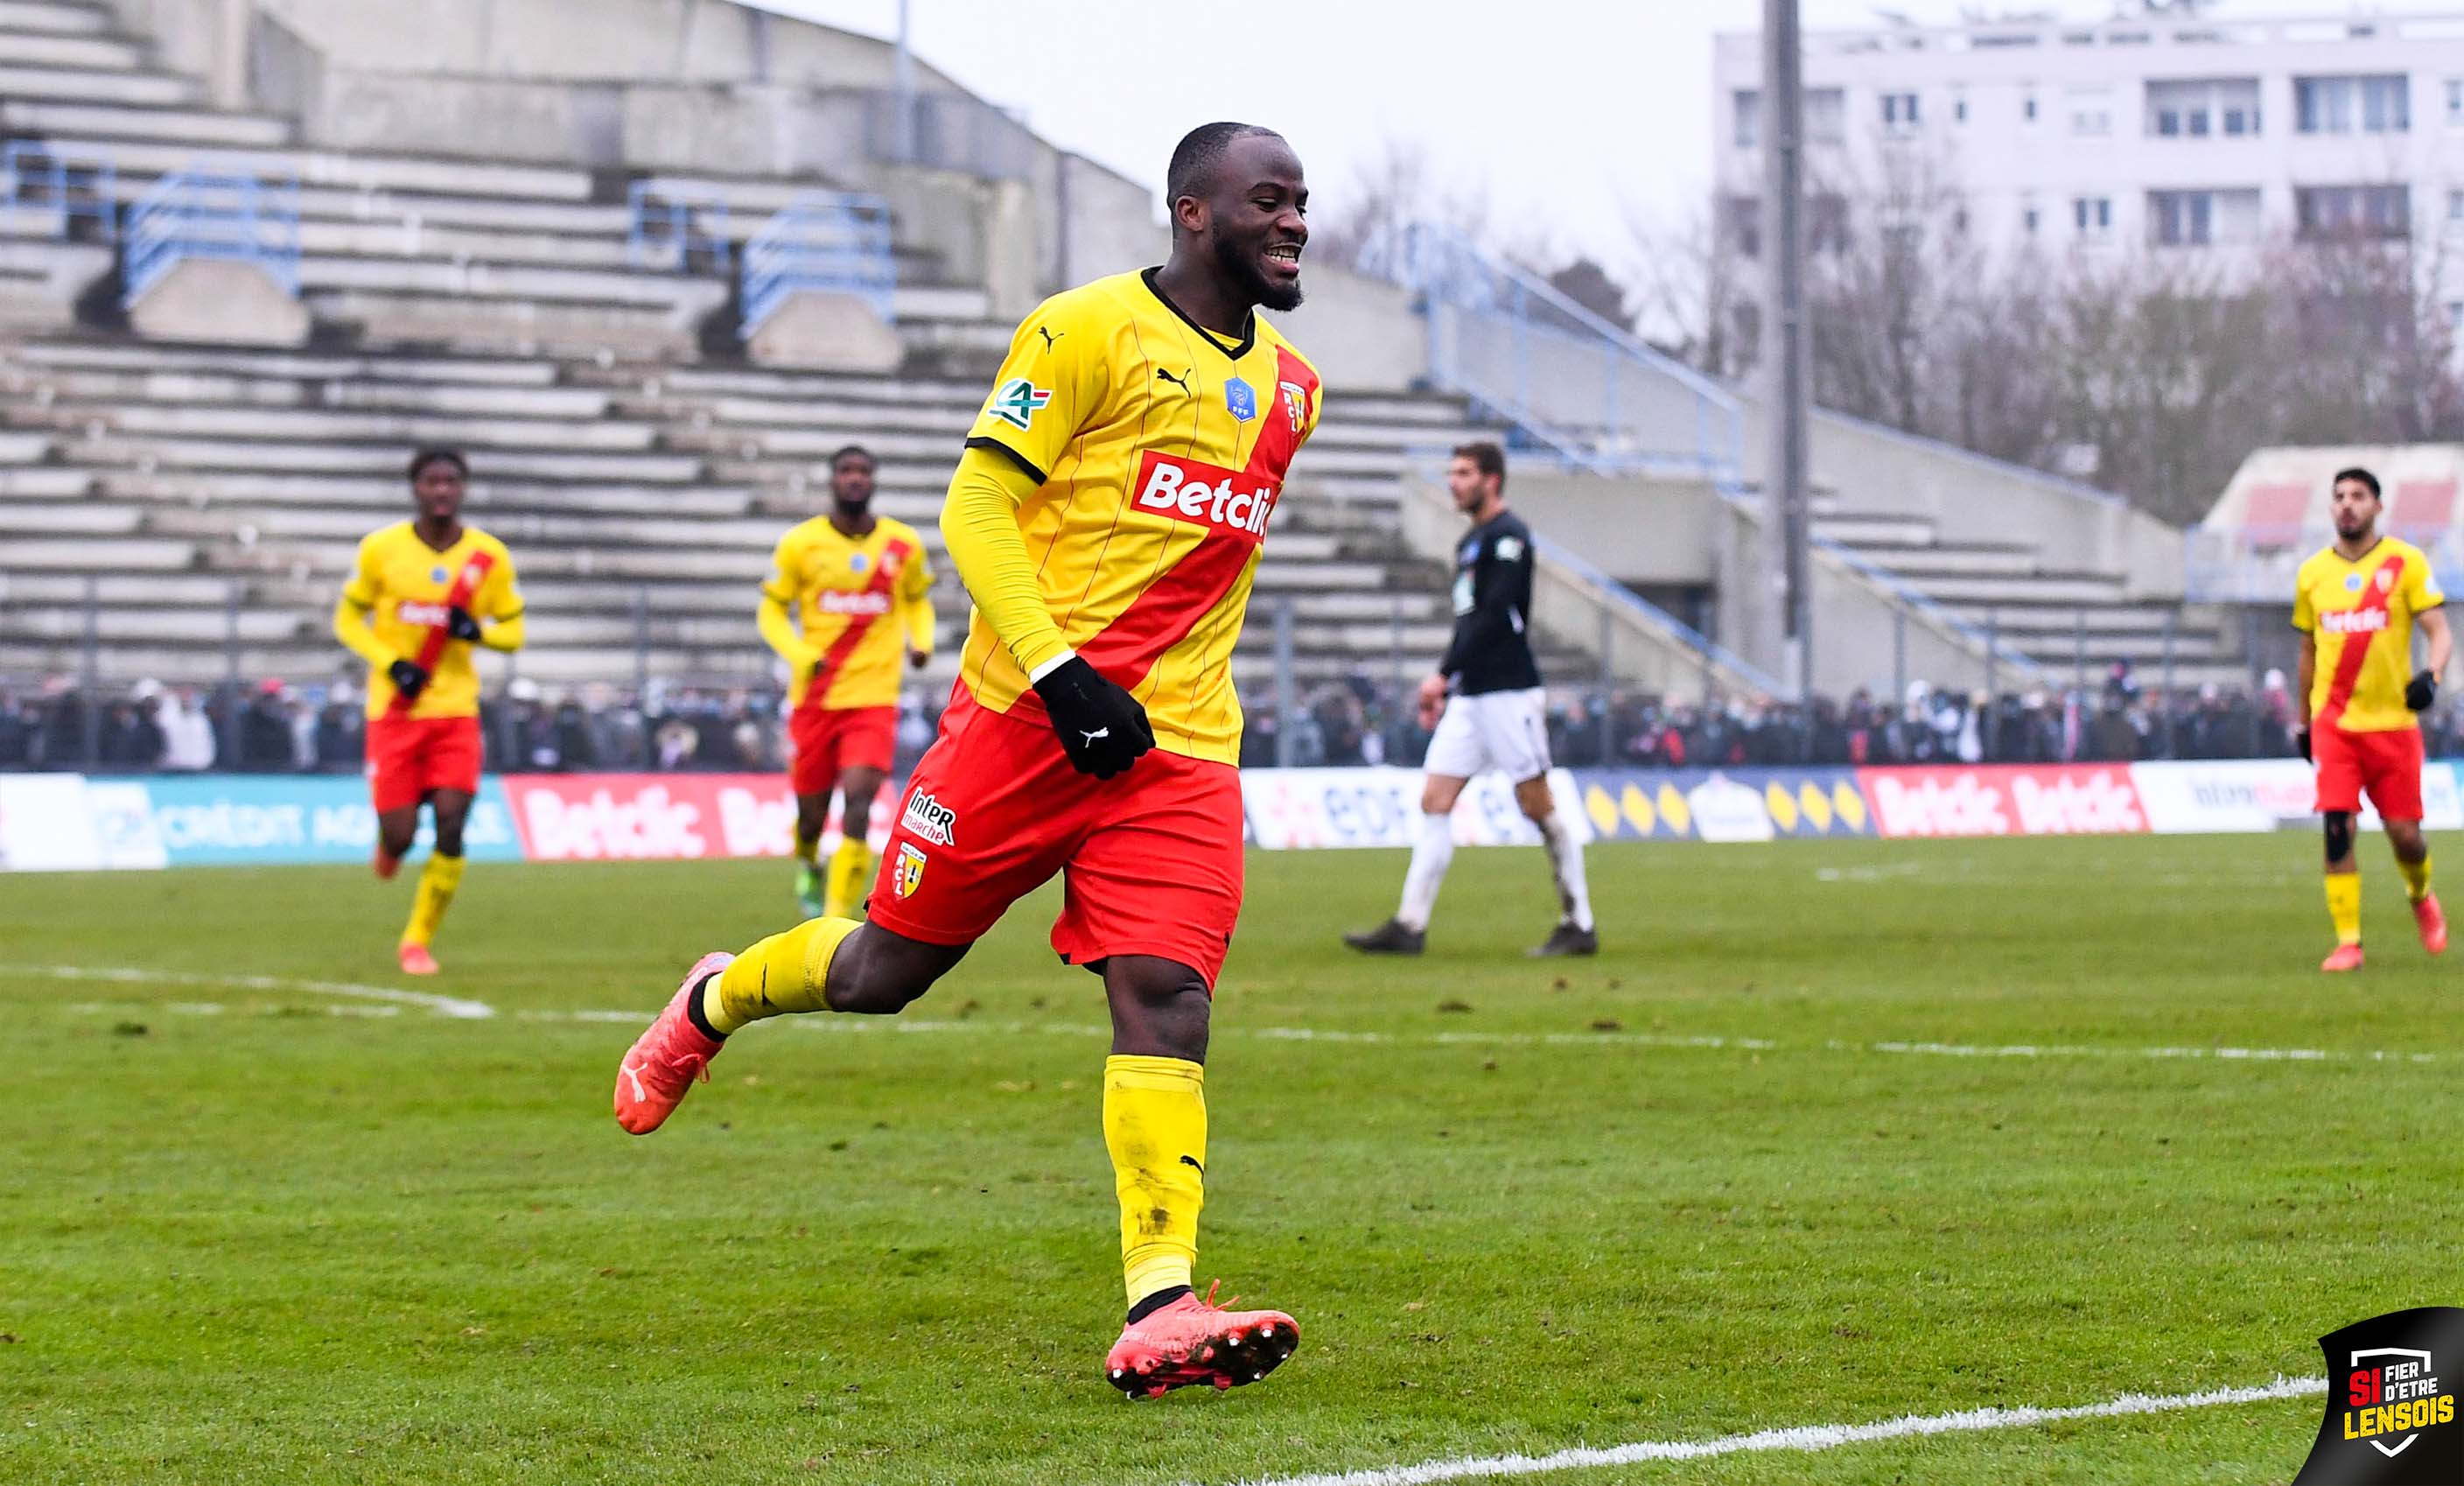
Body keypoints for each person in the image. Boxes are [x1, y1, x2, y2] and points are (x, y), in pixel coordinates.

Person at [614, 121, 1320, 1399]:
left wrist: (1153, 696)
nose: (1294, 222)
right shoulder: (1086, 329)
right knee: (887, 972)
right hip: (1023, 722)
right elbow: (976, 505)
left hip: (1177, 752)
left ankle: (1160, 1301)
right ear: (1192, 212)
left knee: (1168, 992)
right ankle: (717, 996)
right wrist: (1062, 673)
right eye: (1268, 201)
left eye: (1302, 203)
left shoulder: (1294, 390)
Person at [1343, 442, 1597, 957]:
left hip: (1508, 694)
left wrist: (1441, 674)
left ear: (1492, 480)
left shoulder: (1509, 538)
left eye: (1463, 473)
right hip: (1472, 696)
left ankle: (1579, 923)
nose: (1453, 482)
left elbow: (1495, 615)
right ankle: (1410, 925)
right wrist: (1452, 679)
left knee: (1537, 806)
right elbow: (1470, 621)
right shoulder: (1472, 541)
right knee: (1435, 800)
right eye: (1452, 473)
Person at [332, 449, 525, 976]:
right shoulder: (381, 550)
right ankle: (389, 845)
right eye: (432, 481)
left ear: (463, 489)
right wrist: (390, 661)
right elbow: (347, 620)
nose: (442, 490)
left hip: (455, 713)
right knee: (399, 834)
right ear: (415, 488)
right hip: (394, 712)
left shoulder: (489, 557)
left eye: (451, 481)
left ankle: (416, 941)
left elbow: (514, 632)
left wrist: (478, 633)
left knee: (451, 822)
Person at [759, 445, 934, 919]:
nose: (855, 479)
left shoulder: (903, 545)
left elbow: (917, 599)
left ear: (873, 481)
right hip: (815, 698)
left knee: (859, 802)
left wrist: (921, 641)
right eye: (846, 471)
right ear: (832, 480)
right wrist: (799, 653)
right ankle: (807, 862)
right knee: (811, 815)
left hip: (874, 697)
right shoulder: (801, 543)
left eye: (863, 472)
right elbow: (771, 609)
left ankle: (835, 917)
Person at [2292, 466, 2452, 972]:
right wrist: (2302, 721)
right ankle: (2349, 943)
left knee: (2405, 836)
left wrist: (2433, 674)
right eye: (2338, 496)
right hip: (2335, 725)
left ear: (2377, 507)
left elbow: (2440, 631)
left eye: (2358, 496)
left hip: (2393, 726)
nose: (2347, 504)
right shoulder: (2313, 573)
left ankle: (2420, 894)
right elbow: (2308, 652)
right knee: (2337, 826)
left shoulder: (2405, 563)